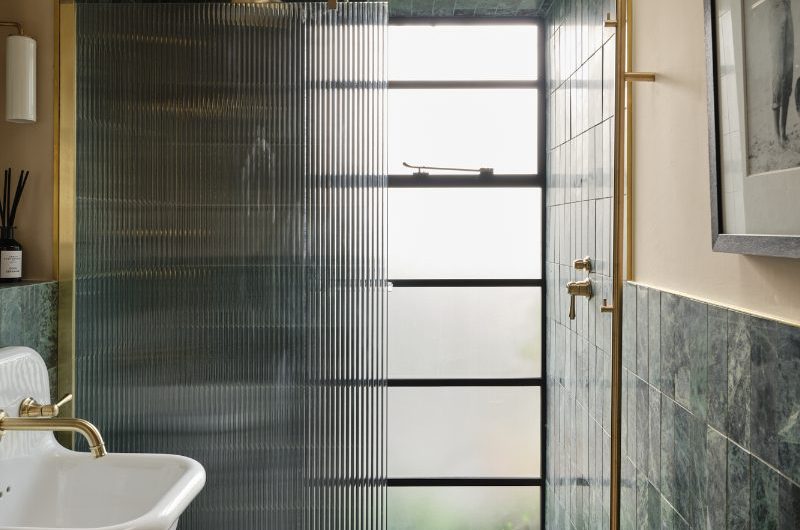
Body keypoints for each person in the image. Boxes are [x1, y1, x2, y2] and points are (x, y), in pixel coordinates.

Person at [771, 0, 794, 147]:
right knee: (779, 73)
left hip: (787, 10)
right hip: (776, 11)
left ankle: (783, 132)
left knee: (788, 73)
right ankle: (777, 135)